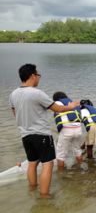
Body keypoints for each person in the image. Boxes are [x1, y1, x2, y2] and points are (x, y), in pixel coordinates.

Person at [9, 64, 79, 198]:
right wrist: (70, 107)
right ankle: (44, 195)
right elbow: (57, 109)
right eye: (38, 75)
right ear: (32, 76)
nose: (39, 78)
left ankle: (32, 189)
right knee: (48, 164)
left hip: (25, 135)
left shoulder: (13, 94)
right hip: (41, 134)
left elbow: (15, 113)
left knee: (32, 163)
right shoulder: (37, 93)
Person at [53, 92, 83, 169]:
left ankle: (61, 176)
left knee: (60, 155)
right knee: (77, 151)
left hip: (67, 130)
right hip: (78, 129)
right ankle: (81, 168)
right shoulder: (73, 103)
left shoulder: (56, 103)